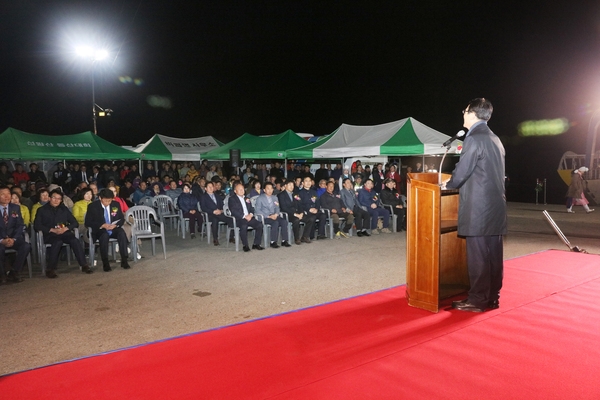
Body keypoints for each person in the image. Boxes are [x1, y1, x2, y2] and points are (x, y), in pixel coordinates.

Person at [445, 98, 507, 313]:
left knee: (479, 255)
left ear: (471, 113)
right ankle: (492, 296)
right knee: (493, 254)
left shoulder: (475, 138)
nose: (463, 114)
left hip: (479, 209)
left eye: (464, 111)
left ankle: (477, 299)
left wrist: (448, 183)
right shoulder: (494, 138)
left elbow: (462, 172)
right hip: (495, 207)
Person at [34, 189, 92, 278]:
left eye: (59, 199)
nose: (56, 200)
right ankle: (50, 269)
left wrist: (66, 228)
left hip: (64, 232)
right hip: (50, 234)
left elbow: (74, 222)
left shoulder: (63, 209)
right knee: (57, 242)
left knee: (75, 240)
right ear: (49, 198)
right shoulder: (41, 210)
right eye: (54, 198)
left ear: (61, 200)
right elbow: (37, 225)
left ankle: (84, 265)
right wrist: (52, 230)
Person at [85, 188, 131, 272]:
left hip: (112, 228)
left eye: (109, 201)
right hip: (100, 229)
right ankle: (105, 262)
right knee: (104, 236)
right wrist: (102, 225)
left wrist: (116, 225)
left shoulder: (115, 204)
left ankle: (124, 259)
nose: (108, 203)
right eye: (105, 201)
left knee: (121, 233)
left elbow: (121, 218)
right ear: (100, 198)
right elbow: (88, 222)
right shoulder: (92, 206)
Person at [0, 187, 31, 283]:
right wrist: (1, 240)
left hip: (13, 237)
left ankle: (14, 272)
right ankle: (2, 275)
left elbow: (20, 225)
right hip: (0, 239)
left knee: (26, 246)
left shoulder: (15, 208)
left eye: (8, 193)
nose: (6, 196)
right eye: (3, 194)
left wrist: (13, 239)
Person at [227, 181, 264, 252]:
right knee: (244, 226)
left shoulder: (247, 198)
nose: (242, 191)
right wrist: (244, 216)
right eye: (240, 189)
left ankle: (256, 244)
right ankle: (245, 245)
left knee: (259, 225)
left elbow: (252, 208)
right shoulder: (232, 199)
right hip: (240, 218)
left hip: (249, 217)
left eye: (243, 189)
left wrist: (251, 214)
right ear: (235, 191)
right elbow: (233, 211)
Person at [278, 179, 315, 244]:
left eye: (292, 185)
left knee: (311, 219)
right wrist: (295, 214)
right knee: (296, 220)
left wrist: (301, 213)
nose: (291, 187)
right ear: (285, 186)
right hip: (288, 215)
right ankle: (297, 238)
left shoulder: (295, 195)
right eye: (289, 185)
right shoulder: (281, 195)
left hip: (298, 213)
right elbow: (284, 208)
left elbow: (300, 204)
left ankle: (305, 237)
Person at [255, 182, 291, 248]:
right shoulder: (260, 198)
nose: (270, 190)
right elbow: (258, 210)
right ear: (264, 190)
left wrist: (276, 214)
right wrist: (268, 216)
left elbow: (277, 208)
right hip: (265, 217)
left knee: (284, 221)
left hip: (274, 215)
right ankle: (273, 241)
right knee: (275, 223)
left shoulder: (275, 198)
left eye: (271, 189)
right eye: (268, 189)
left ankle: (284, 240)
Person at [200, 181, 233, 246]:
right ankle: (215, 239)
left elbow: (222, 205)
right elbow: (203, 208)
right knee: (215, 219)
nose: (211, 188)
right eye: (209, 187)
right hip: (210, 214)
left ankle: (231, 237)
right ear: (205, 188)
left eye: (212, 186)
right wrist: (213, 211)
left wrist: (221, 211)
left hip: (219, 213)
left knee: (231, 219)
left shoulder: (217, 196)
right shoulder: (203, 197)